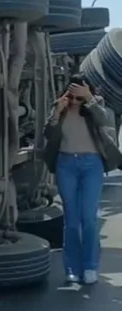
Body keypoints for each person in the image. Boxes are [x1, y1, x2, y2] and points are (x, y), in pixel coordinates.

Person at [43, 75, 122, 285]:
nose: (75, 100)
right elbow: (48, 134)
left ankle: (90, 266)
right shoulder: (61, 107)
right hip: (66, 164)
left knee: (88, 219)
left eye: (80, 94)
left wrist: (89, 98)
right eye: (73, 94)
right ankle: (71, 268)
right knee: (71, 221)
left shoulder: (95, 106)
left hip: (91, 164)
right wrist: (57, 112)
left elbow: (105, 120)